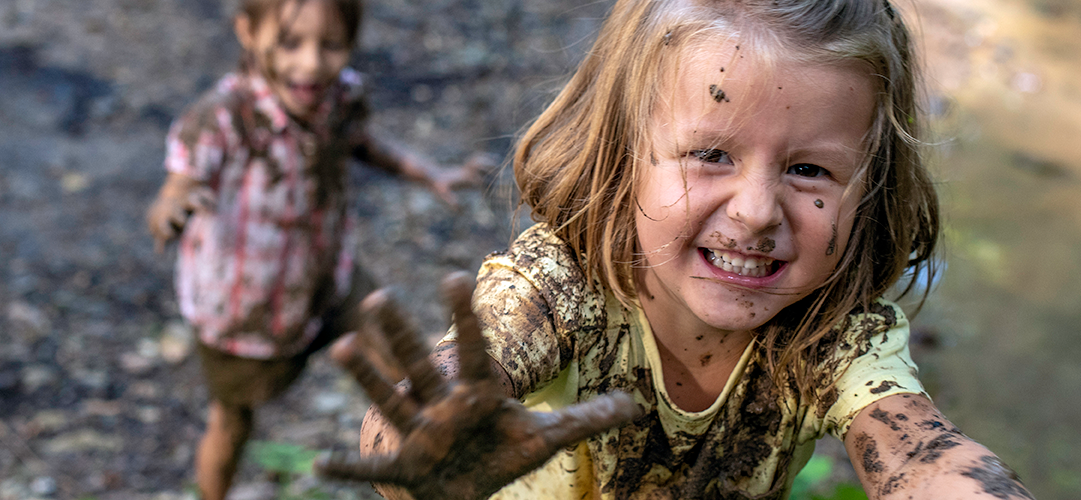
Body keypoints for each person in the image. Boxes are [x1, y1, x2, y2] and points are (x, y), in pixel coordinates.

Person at [315, 0, 1036, 498]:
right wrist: (426, 454)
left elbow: (917, 450)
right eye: (711, 154)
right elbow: (422, 411)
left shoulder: (829, 335)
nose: (756, 213)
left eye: (809, 170)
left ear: (871, 190)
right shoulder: (558, 287)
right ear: (623, 157)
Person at [143, 0, 480, 498]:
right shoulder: (222, 118)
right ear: (246, 31)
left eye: (332, 44)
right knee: (232, 420)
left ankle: (446, 458)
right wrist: (171, 206)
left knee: (401, 362)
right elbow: (177, 182)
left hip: (328, 277)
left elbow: (360, 141)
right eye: (290, 43)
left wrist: (426, 172)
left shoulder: (340, 96)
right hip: (244, 311)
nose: (311, 64)